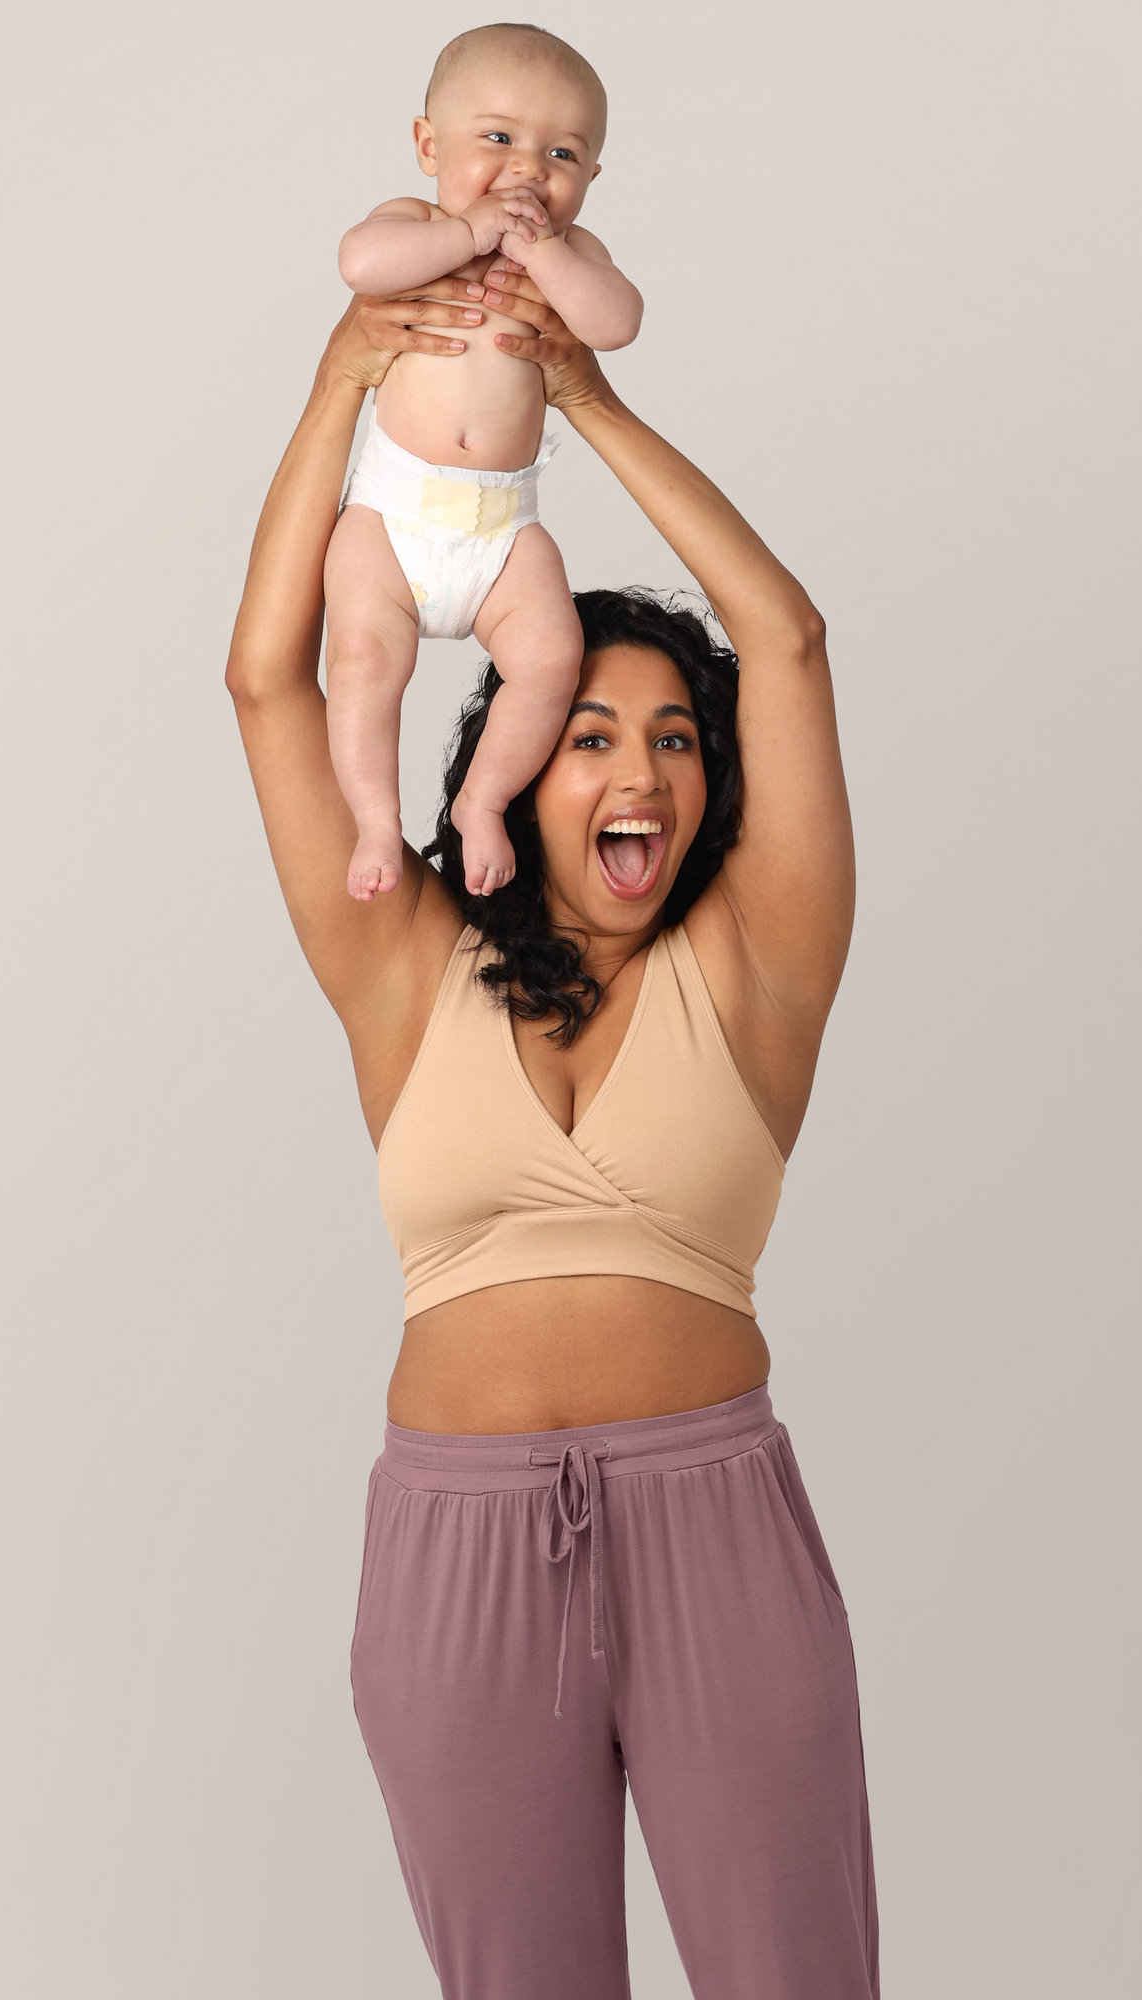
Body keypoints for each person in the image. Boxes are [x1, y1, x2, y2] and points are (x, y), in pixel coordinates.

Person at [225, 269, 879, 1999]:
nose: (639, 774)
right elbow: (269, 687)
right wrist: (342, 391)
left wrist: (581, 405)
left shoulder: (759, 967)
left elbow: (790, 638)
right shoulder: (402, 957)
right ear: (512, 766)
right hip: (454, 1562)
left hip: (715, 1534)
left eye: (675, 739)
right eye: (589, 732)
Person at [329, 24, 641, 902]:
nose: (526, 171)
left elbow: (615, 322)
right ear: (429, 144)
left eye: (561, 153)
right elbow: (361, 263)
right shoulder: (420, 225)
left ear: (590, 178)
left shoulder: (571, 257)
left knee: (550, 658)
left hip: (504, 525)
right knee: (359, 660)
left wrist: (541, 252)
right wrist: (468, 231)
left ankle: (482, 802)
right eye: (498, 138)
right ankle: (376, 823)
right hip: (390, 517)